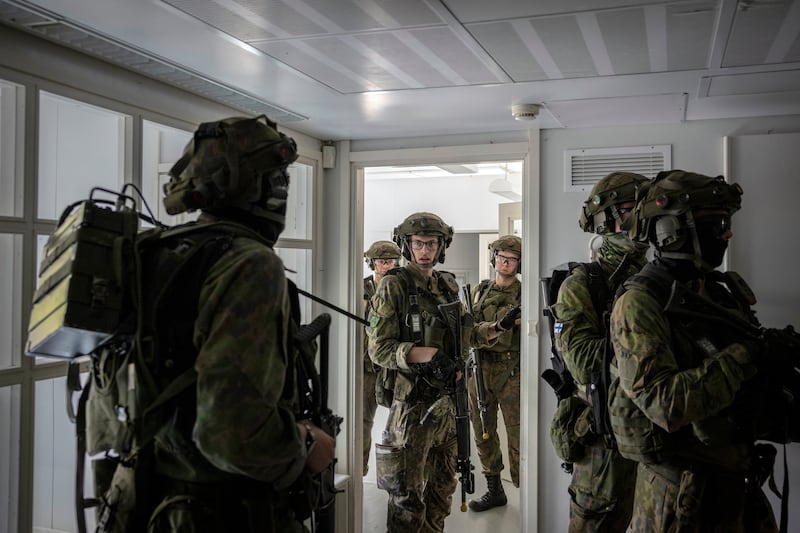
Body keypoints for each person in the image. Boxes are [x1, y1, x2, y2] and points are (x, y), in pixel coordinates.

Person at [88, 115, 336, 532]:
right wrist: (307, 444)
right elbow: (233, 434)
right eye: (278, 179)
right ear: (255, 185)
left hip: (136, 502)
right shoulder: (249, 264)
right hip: (214, 510)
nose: (282, 191)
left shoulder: (155, 250)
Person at [608, 170, 778, 532]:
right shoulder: (639, 302)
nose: (727, 234)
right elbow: (663, 403)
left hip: (734, 481)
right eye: (716, 224)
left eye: (727, 223)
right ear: (671, 230)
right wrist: (745, 356)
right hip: (678, 498)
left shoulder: (714, 291)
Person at [367, 212, 514, 532]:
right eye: (418, 243)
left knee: (441, 495)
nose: (425, 250)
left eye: (432, 244)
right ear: (406, 245)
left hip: (449, 408)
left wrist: (497, 327)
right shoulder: (394, 286)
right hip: (413, 409)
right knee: (407, 501)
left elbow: (466, 334)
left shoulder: (446, 285)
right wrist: (426, 355)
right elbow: (379, 349)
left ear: (441, 246)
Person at [548, 172, 649, 531]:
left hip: (653, 440)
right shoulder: (582, 285)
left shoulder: (658, 280)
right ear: (606, 220)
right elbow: (584, 364)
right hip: (604, 448)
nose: (643, 218)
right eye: (632, 210)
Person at [466, 235, 523, 512]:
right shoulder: (480, 291)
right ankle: (495, 490)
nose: (506, 263)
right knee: (483, 431)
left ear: (519, 263)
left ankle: (526, 491)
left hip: (512, 370)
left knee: (518, 433)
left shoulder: (524, 293)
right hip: (480, 367)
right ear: (493, 259)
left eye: (512, 259)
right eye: (501, 257)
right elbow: (468, 329)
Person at [362, 240, 402, 475]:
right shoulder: (359, 290)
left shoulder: (402, 290)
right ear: (372, 263)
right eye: (382, 261)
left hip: (394, 367)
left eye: (391, 261)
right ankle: (360, 471)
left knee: (400, 423)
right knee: (362, 423)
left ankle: (398, 476)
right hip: (367, 368)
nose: (387, 266)